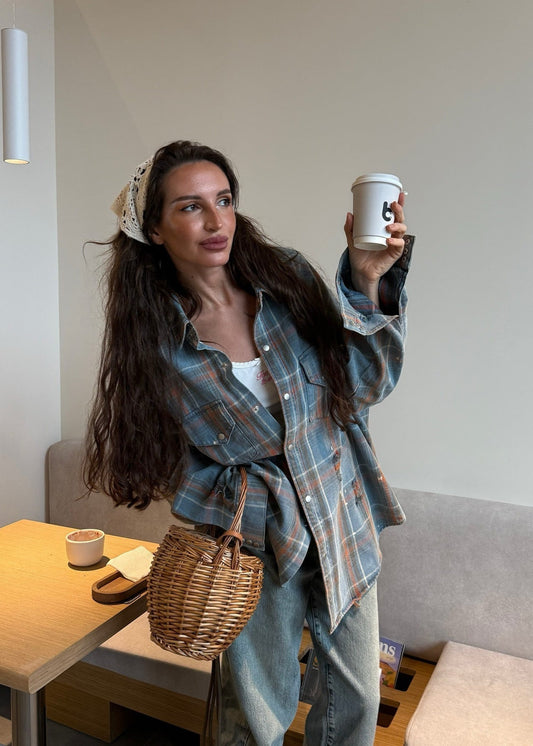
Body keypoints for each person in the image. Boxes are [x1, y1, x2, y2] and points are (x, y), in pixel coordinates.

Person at [84, 140, 414, 746]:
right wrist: (248, 488)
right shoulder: (156, 341)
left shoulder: (285, 278)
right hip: (255, 544)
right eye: (190, 206)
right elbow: (158, 463)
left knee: (359, 701)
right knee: (256, 720)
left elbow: (363, 385)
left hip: (340, 513)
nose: (216, 221)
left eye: (224, 200)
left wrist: (367, 280)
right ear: (154, 229)